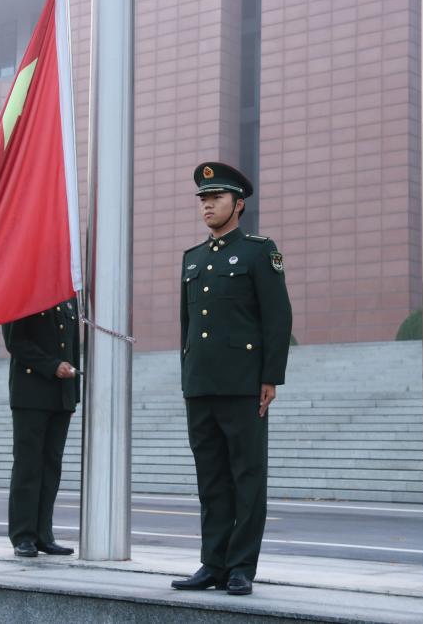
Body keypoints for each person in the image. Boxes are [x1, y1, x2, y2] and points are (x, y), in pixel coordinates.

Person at [171, 161, 292, 596]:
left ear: (238, 204)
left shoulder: (260, 252)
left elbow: (277, 318)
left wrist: (270, 378)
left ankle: (241, 566)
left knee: (247, 477)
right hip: (201, 385)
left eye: (216, 198)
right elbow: (187, 327)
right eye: (203, 199)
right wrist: (187, 377)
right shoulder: (193, 258)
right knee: (211, 480)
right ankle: (212, 563)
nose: (208, 205)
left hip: (243, 385)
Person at [2, 297, 80, 558]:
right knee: (28, 466)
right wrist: (51, 366)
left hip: (60, 395)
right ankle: (23, 535)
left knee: (51, 468)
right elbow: (15, 341)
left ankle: (44, 535)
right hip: (31, 393)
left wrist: (73, 395)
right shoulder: (23, 289)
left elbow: (71, 346)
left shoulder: (68, 296)